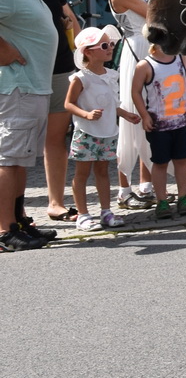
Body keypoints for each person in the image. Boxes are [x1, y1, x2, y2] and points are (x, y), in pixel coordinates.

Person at [6, 0, 84, 224]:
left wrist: (81, 51)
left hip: (58, 68)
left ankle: (50, 204)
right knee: (15, 152)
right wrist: (6, 52)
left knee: (48, 142)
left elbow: (67, 16)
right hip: (25, 78)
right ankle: (12, 218)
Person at [0, 0, 60, 251]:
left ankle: (18, 222)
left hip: (33, 88)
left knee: (19, 161)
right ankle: (5, 231)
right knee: (9, 161)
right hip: (17, 89)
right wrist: (4, 52)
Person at [107, 0, 155, 208]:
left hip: (146, 47)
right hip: (137, 49)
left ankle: (146, 182)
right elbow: (154, 15)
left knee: (150, 111)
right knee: (132, 115)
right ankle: (124, 190)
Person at [66, 26, 125, 231]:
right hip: (87, 132)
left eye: (110, 44)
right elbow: (69, 104)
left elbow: (113, 104)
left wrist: (126, 114)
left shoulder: (111, 75)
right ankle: (83, 215)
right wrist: (86, 115)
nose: (110, 48)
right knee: (82, 173)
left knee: (103, 171)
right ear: (88, 52)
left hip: (107, 131)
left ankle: (105, 211)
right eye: (103, 45)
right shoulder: (81, 78)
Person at [133, 42, 186, 220]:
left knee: (182, 160)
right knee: (160, 163)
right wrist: (144, 116)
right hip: (159, 125)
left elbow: (182, 87)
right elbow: (135, 92)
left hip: (182, 122)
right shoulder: (145, 65)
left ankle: (183, 198)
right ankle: (162, 201)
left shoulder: (180, 59)